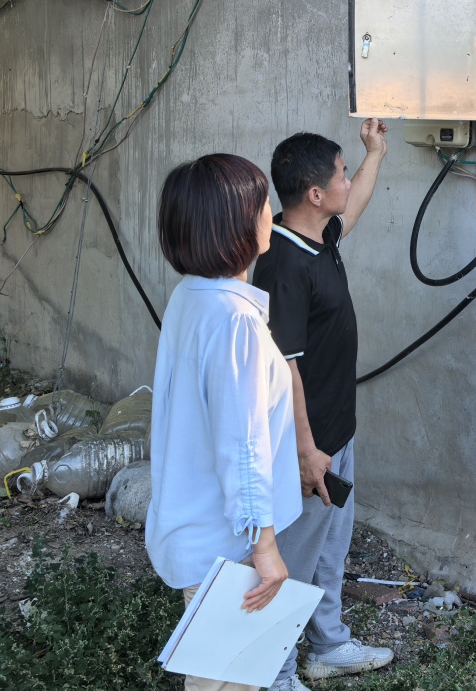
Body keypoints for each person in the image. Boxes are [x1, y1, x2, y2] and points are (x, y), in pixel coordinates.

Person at [145, 153, 302, 691]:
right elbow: (243, 446)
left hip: (199, 532)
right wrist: (265, 549)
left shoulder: (192, 296)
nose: (270, 214)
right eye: (262, 205)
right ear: (232, 223)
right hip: (227, 548)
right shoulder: (234, 321)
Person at [253, 120, 389, 690]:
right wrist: (308, 452)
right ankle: (275, 671)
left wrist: (375, 153)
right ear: (314, 194)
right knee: (294, 557)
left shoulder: (318, 236)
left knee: (331, 547)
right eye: (340, 174)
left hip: (338, 429)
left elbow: (352, 210)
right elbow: (284, 369)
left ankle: (327, 644)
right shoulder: (283, 264)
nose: (346, 182)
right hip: (307, 444)